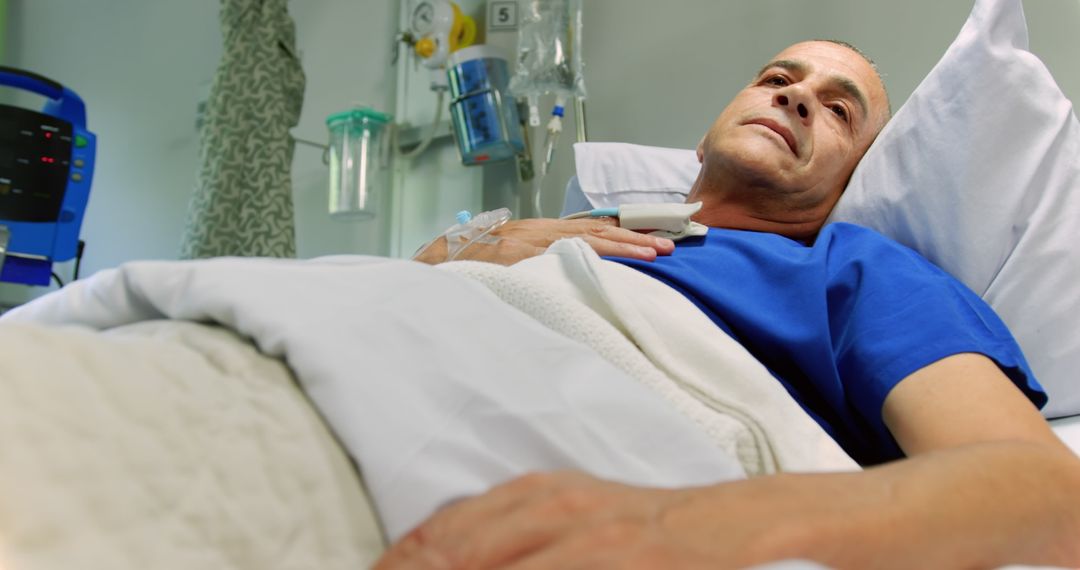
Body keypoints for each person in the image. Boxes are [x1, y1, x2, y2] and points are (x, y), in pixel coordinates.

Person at [386, 40, 1080, 568]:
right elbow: (384, 300)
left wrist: (691, 523)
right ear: (704, 138)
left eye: (838, 110)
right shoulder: (575, 230)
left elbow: (1046, 495)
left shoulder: (854, 270)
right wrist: (472, 246)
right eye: (778, 79)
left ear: (850, 183)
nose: (796, 96)